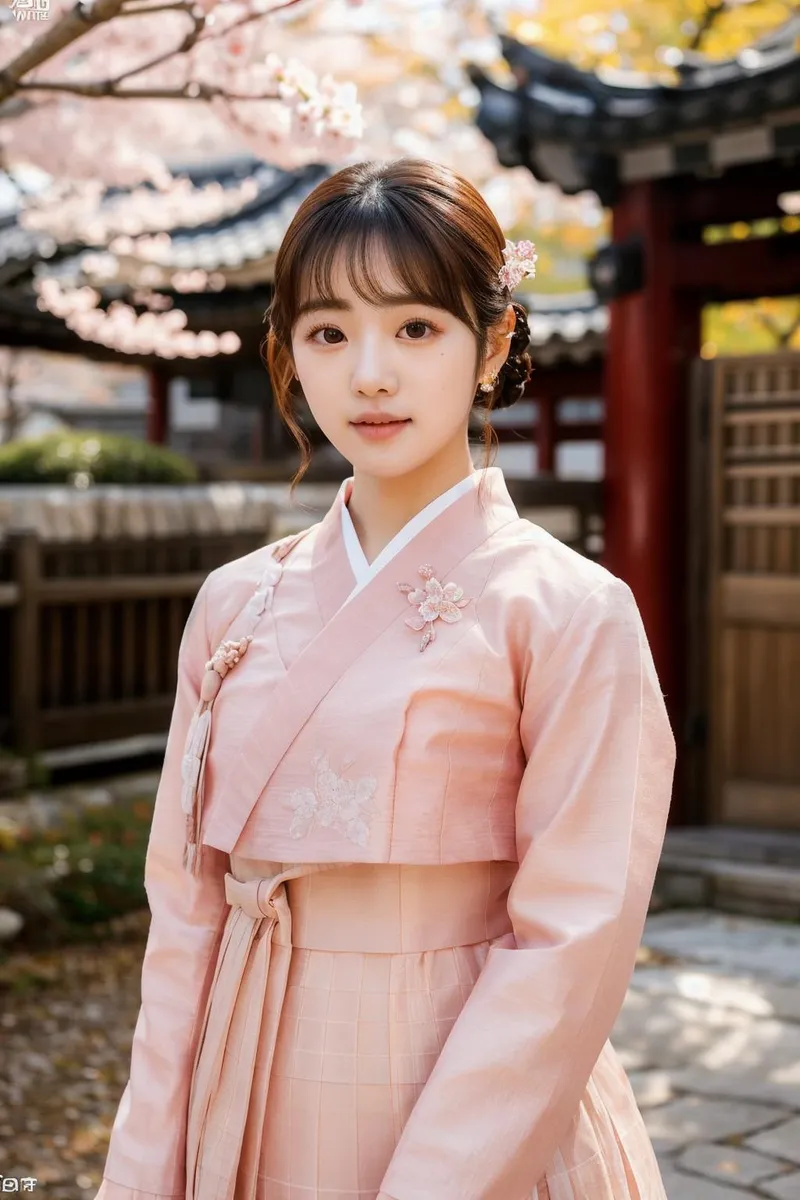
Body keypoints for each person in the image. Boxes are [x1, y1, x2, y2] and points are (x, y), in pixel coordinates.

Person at [94, 158, 676, 1200]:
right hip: (251, 1064)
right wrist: (143, 1165)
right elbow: (183, 911)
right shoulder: (233, 603)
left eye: (414, 329)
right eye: (327, 333)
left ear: (491, 344)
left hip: (464, 1073)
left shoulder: (569, 612)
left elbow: (570, 939)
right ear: (287, 355)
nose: (369, 374)